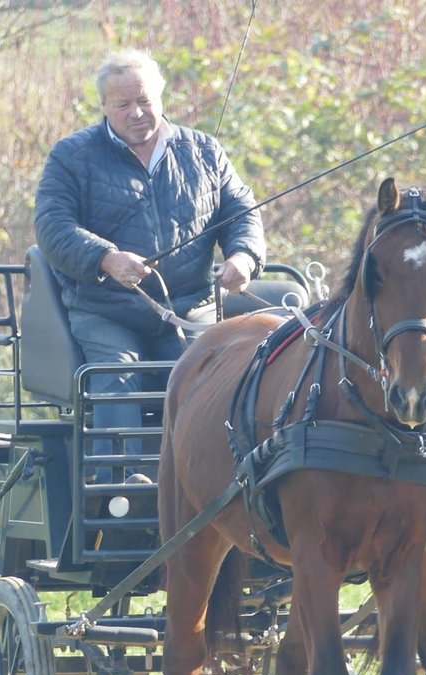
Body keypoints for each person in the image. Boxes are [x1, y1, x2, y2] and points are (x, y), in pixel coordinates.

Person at [34, 49, 265, 482]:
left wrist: (243, 257)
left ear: (160, 97)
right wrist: (105, 257)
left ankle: (217, 483)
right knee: (117, 376)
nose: (137, 113)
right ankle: (118, 490)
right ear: (104, 107)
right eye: (123, 105)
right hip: (106, 310)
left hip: (188, 306)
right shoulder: (71, 157)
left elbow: (243, 214)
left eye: (144, 101)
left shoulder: (203, 151)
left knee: (213, 379)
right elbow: (52, 227)